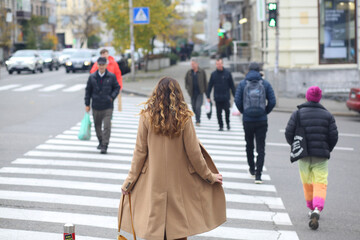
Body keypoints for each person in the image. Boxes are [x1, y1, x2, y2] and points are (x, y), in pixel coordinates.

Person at [119, 77, 226, 240]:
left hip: (153, 182)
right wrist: (209, 176)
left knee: (153, 229)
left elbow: (140, 152)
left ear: (156, 93)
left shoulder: (147, 116)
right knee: (178, 231)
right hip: (178, 185)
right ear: (178, 94)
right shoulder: (184, 117)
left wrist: (129, 182)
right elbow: (194, 153)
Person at [285, 86, 338, 230]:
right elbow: (333, 136)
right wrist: (327, 149)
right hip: (321, 156)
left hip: (303, 155)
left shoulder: (298, 113)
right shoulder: (328, 115)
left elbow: (288, 133)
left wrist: (296, 145)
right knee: (320, 182)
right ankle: (317, 208)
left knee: (307, 183)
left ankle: (311, 207)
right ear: (319, 98)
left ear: (307, 97)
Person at [234, 62, 276, 184]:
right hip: (261, 120)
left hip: (247, 120)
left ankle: (252, 169)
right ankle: (258, 175)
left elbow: (237, 100)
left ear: (248, 70)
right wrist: (265, 111)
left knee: (249, 145)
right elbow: (272, 101)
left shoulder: (242, 84)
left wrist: (244, 111)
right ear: (259, 70)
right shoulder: (265, 84)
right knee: (261, 147)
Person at [85, 57, 120, 154]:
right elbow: (88, 91)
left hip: (107, 106)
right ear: (97, 65)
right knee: (97, 126)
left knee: (107, 126)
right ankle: (100, 141)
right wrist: (87, 104)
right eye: (99, 65)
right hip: (96, 105)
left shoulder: (111, 76)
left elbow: (117, 87)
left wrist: (111, 97)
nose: (101, 66)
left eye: (103, 65)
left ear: (106, 65)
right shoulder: (92, 77)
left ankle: (105, 145)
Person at [206, 58, 236, 131]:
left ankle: (228, 124)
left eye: (220, 64)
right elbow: (210, 86)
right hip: (217, 97)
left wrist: (235, 96)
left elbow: (232, 85)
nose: (219, 65)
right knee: (218, 113)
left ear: (222, 64)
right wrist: (208, 96)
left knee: (227, 112)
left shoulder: (227, 73)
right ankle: (221, 125)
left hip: (226, 97)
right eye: (217, 64)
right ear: (216, 65)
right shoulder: (213, 74)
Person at [185, 58, 208, 126]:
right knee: (193, 107)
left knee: (198, 107)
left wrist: (207, 93)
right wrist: (188, 89)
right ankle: (196, 117)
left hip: (200, 93)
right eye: (191, 64)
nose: (192, 65)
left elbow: (205, 82)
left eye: (193, 64)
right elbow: (186, 82)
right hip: (192, 93)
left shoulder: (202, 72)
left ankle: (198, 120)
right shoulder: (189, 72)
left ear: (197, 64)